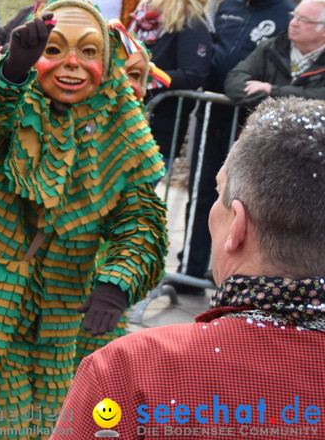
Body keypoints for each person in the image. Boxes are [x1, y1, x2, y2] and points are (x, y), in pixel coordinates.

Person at [0, 0, 167, 436]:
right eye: (55, 49)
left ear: (105, 63)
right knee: (1, 430)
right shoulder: (12, 107)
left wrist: (116, 282)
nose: (72, 64)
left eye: (88, 52)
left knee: (53, 430)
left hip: (65, 318)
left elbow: (142, 223)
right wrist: (10, 71)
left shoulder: (120, 127)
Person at [55, 96, 325, 438]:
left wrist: (118, 280)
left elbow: (140, 225)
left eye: (219, 193)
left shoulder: (132, 369)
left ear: (237, 226)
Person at [179, 0, 293, 292]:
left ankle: (241, 273)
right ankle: (191, 266)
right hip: (213, 114)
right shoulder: (228, 6)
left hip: (250, 127)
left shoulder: (287, 17)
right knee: (202, 192)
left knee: (243, 202)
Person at [128, 0, 214, 164]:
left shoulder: (193, 26)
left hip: (158, 130)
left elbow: (193, 74)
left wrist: (145, 76)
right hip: (127, 122)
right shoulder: (144, 20)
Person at [224, 0, 325, 104]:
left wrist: (274, 91)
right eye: (294, 16)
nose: (293, 23)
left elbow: (321, 96)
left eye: (304, 20)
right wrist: (270, 101)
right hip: (263, 121)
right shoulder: (271, 48)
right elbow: (234, 81)